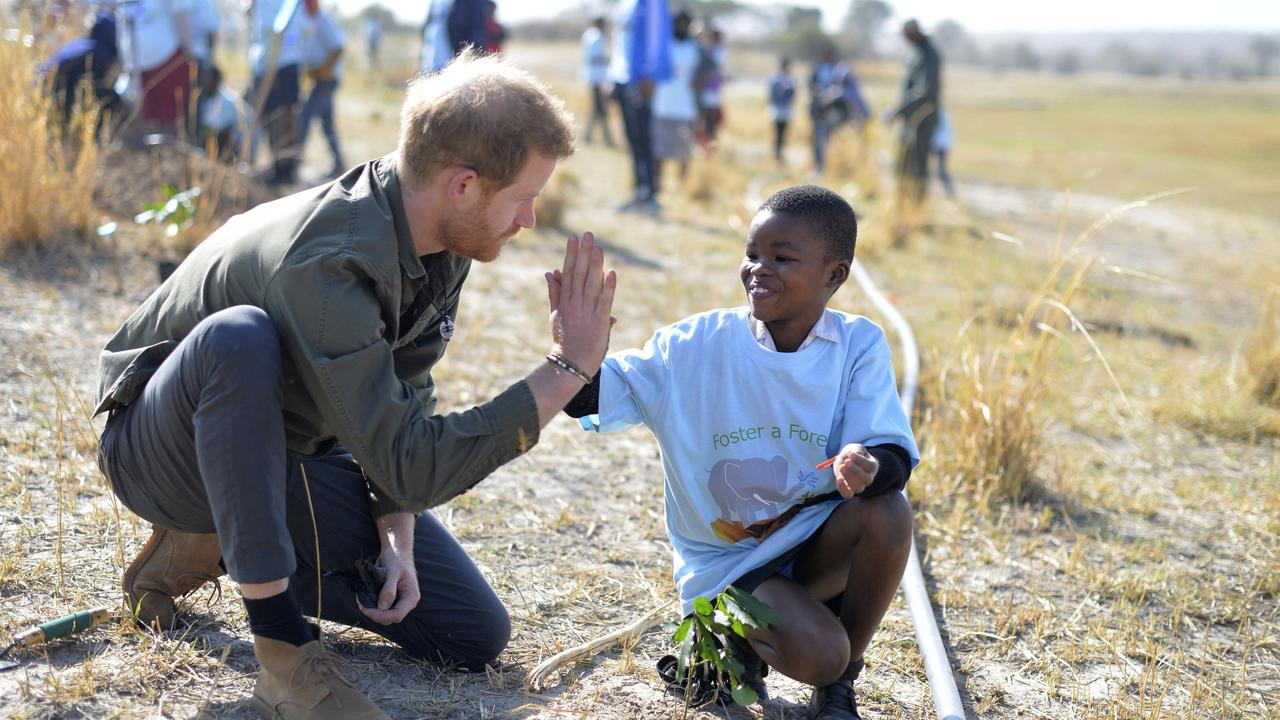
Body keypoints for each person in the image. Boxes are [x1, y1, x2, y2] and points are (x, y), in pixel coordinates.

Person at [94, 50, 613, 719]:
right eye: (523, 199)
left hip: (287, 445)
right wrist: (566, 370)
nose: (530, 220)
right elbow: (415, 463)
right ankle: (282, 653)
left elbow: (405, 393)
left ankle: (217, 548)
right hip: (163, 448)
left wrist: (395, 533)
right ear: (463, 185)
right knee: (241, 336)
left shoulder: (441, 237)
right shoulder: (331, 259)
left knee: (467, 632)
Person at [565, 185, 917, 720]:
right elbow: (591, 395)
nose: (759, 268)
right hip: (727, 564)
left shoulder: (857, 345)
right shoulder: (695, 345)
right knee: (821, 653)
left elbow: (890, 451)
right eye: (752, 254)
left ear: (835, 276)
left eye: (782, 258)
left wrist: (866, 467)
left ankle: (840, 686)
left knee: (889, 512)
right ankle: (719, 646)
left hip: (809, 544)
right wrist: (573, 355)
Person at [608, 0, 674, 214]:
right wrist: (613, 76)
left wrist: (649, 73)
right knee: (633, 139)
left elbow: (656, 35)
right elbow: (621, 41)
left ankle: (650, 194)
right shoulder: (626, 4)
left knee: (644, 139)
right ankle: (639, 191)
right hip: (623, 78)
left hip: (640, 80)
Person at [248, 0, 306, 185]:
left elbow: (275, 29)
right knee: (280, 117)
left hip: (276, 62)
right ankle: (284, 167)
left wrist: (269, 68)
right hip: (274, 61)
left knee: (280, 117)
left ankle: (284, 168)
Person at [118, 0, 196, 133]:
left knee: (148, 117)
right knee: (171, 118)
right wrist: (190, 51)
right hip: (167, 55)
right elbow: (181, 17)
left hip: (134, 59)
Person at [886, 19, 942, 205]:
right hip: (910, 118)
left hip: (922, 117)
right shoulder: (915, 52)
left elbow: (925, 90)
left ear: (914, 33)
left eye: (907, 36)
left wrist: (900, 109)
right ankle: (903, 202)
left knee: (918, 163)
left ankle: (918, 206)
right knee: (903, 163)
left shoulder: (929, 53)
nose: (905, 39)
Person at [651, 11, 701, 194]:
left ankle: (682, 188)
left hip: (686, 107)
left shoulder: (695, 47)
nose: (681, 26)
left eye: (685, 23)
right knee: (659, 151)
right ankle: (657, 185)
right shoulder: (664, 45)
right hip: (662, 105)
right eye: (678, 23)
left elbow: (704, 74)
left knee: (685, 152)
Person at [298, 0, 347, 178]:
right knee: (327, 125)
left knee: (305, 116)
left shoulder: (324, 21)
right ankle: (339, 164)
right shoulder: (309, 23)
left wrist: (325, 68)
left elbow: (338, 47)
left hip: (328, 79)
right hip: (319, 80)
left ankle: (294, 160)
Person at [809, 46, 870, 175]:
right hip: (822, 114)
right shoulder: (819, 70)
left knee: (837, 141)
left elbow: (855, 97)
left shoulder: (841, 73)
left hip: (837, 115)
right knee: (820, 140)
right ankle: (821, 167)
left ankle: (835, 168)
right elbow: (813, 89)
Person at [197, 65, 244, 161]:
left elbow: (211, 130)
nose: (204, 81)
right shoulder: (206, 98)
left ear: (216, 80)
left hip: (241, 148)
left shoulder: (226, 100)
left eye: (207, 78)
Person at [581, 16, 614, 146]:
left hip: (594, 77)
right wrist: (608, 60)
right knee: (600, 108)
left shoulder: (589, 35)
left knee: (597, 108)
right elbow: (596, 57)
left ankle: (589, 135)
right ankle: (606, 138)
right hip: (597, 78)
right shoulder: (596, 37)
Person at [695, 25, 726, 149]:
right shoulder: (705, 49)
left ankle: (708, 143)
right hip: (703, 90)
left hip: (711, 91)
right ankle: (703, 142)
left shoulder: (718, 51)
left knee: (710, 120)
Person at [767, 57, 797, 165]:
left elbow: (793, 94)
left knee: (783, 133)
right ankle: (777, 154)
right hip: (778, 109)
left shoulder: (789, 79)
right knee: (778, 133)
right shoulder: (777, 79)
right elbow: (772, 94)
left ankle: (779, 154)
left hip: (785, 109)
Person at [931, 107, 955, 198]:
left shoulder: (938, 111)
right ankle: (949, 192)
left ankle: (951, 193)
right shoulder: (942, 111)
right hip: (941, 143)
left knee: (941, 171)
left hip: (940, 144)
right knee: (939, 171)